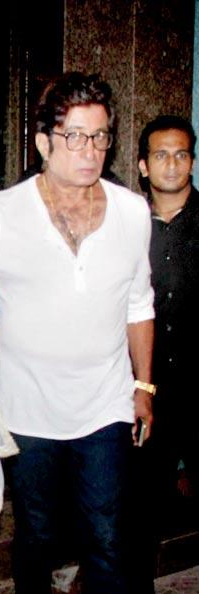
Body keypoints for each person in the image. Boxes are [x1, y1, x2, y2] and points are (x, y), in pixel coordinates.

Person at [0, 72, 155, 594]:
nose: (90, 150)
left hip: (105, 404)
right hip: (26, 409)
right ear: (44, 142)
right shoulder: (2, 213)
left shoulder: (133, 213)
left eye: (101, 136)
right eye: (75, 136)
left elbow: (139, 303)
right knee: (37, 537)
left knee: (108, 538)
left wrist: (144, 386)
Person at [128, 115, 199, 593]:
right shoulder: (125, 228)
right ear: (142, 165)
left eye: (181, 154)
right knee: (138, 511)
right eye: (160, 155)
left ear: (191, 162)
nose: (171, 164)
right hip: (145, 389)